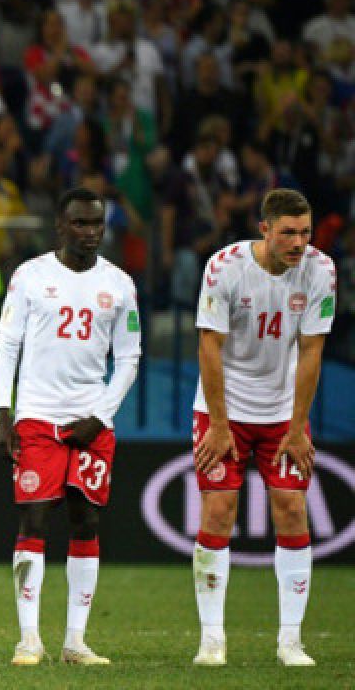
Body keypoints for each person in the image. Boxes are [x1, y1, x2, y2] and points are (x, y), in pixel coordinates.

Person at [0, 187, 142, 667]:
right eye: (80, 223)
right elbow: (8, 344)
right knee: (34, 517)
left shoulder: (119, 284)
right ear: (60, 225)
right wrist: (3, 412)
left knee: (87, 518)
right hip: (38, 416)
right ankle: (29, 639)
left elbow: (129, 357)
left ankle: (76, 641)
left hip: (91, 419)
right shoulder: (31, 276)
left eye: (97, 223)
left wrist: (100, 415)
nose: (90, 232)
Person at [190, 188, 335, 668]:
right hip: (222, 408)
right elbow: (209, 346)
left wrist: (297, 429)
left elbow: (312, 350)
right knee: (218, 512)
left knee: (293, 510)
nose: (299, 243)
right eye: (289, 232)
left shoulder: (321, 270)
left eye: (305, 232)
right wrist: (217, 423)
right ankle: (212, 640)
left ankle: (291, 641)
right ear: (265, 230)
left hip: (282, 413)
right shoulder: (224, 267)